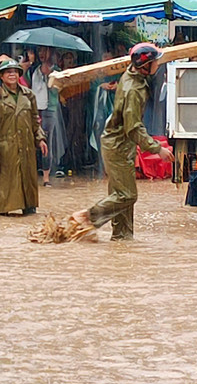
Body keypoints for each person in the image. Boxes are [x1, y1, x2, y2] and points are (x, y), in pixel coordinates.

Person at [69, 43, 175, 241]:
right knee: (128, 195)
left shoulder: (132, 77)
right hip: (117, 145)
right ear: (145, 66)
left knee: (121, 196)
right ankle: (87, 217)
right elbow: (133, 127)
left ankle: (122, 238)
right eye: (155, 62)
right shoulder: (134, 89)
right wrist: (157, 148)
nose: (158, 65)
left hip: (118, 143)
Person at [0, 59, 48, 216]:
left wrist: (40, 138)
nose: (12, 74)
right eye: (8, 72)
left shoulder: (28, 95)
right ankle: (3, 213)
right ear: (2, 77)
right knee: (6, 182)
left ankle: (29, 207)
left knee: (28, 179)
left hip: (26, 146)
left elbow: (34, 120)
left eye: (15, 71)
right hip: (6, 147)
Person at [31, 46, 66, 186]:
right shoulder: (35, 71)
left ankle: (46, 176)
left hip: (49, 109)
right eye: (39, 51)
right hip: (35, 108)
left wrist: (49, 76)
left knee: (46, 140)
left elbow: (60, 89)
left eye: (44, 51)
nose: (42, 54)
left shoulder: (56, 71)